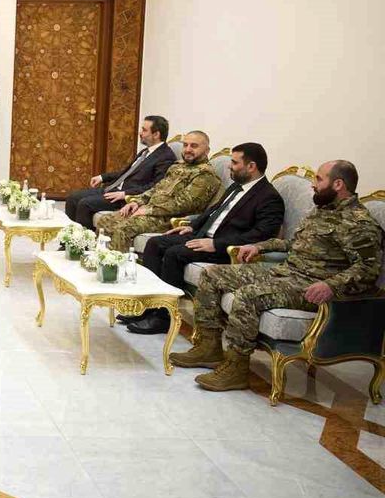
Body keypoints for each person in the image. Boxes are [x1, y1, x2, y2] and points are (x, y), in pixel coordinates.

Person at [171, 160, 382, 392]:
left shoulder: (358, 222)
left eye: (319, 179)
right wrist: (259, 246)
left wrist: (330, 285)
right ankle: (208, 348)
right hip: (286, 271)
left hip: (310, 286)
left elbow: (367, 269)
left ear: (338, 184)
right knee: (212, 274)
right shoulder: (323, 210)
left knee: (249, 295)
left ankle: (236, 369)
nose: (313, 184)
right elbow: (295, 244)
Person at [125, 142, 285, 334]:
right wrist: (191, 226)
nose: (229, 166)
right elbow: (213, 211)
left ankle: (163, 317)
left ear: (251, 166)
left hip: (224, 249)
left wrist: (216, 244)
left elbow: (261, 234)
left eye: (235, 163)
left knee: (174, 253)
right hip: (203, 236)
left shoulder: (269, 197)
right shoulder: (236, 187)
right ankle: (146, 307)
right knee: (155, 243)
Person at [94, 131, 221, 251]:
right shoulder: (178, 166)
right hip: (151, 211)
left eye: (194, 146)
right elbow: (157, 188)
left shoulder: (205, 175)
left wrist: (149, 210)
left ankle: (119, 264)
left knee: (122, 229)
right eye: (185, 145)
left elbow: (184, 204)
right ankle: (101, 261)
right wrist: (137, 202)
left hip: (169, 219)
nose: (188, 149)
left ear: (207, 150)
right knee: (106, 221)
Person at [64, 115, 175, 227]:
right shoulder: (145, 152)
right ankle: (69, 236)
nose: (140, 133)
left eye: (144, 130)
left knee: (85, 204)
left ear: (156, 134)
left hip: (126, 197)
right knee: (73, 198)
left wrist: (125, 194)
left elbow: (156, 186)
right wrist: (102, 177)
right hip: (113, 188)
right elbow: (126, 173)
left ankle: (85, 238)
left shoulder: (165, 157)